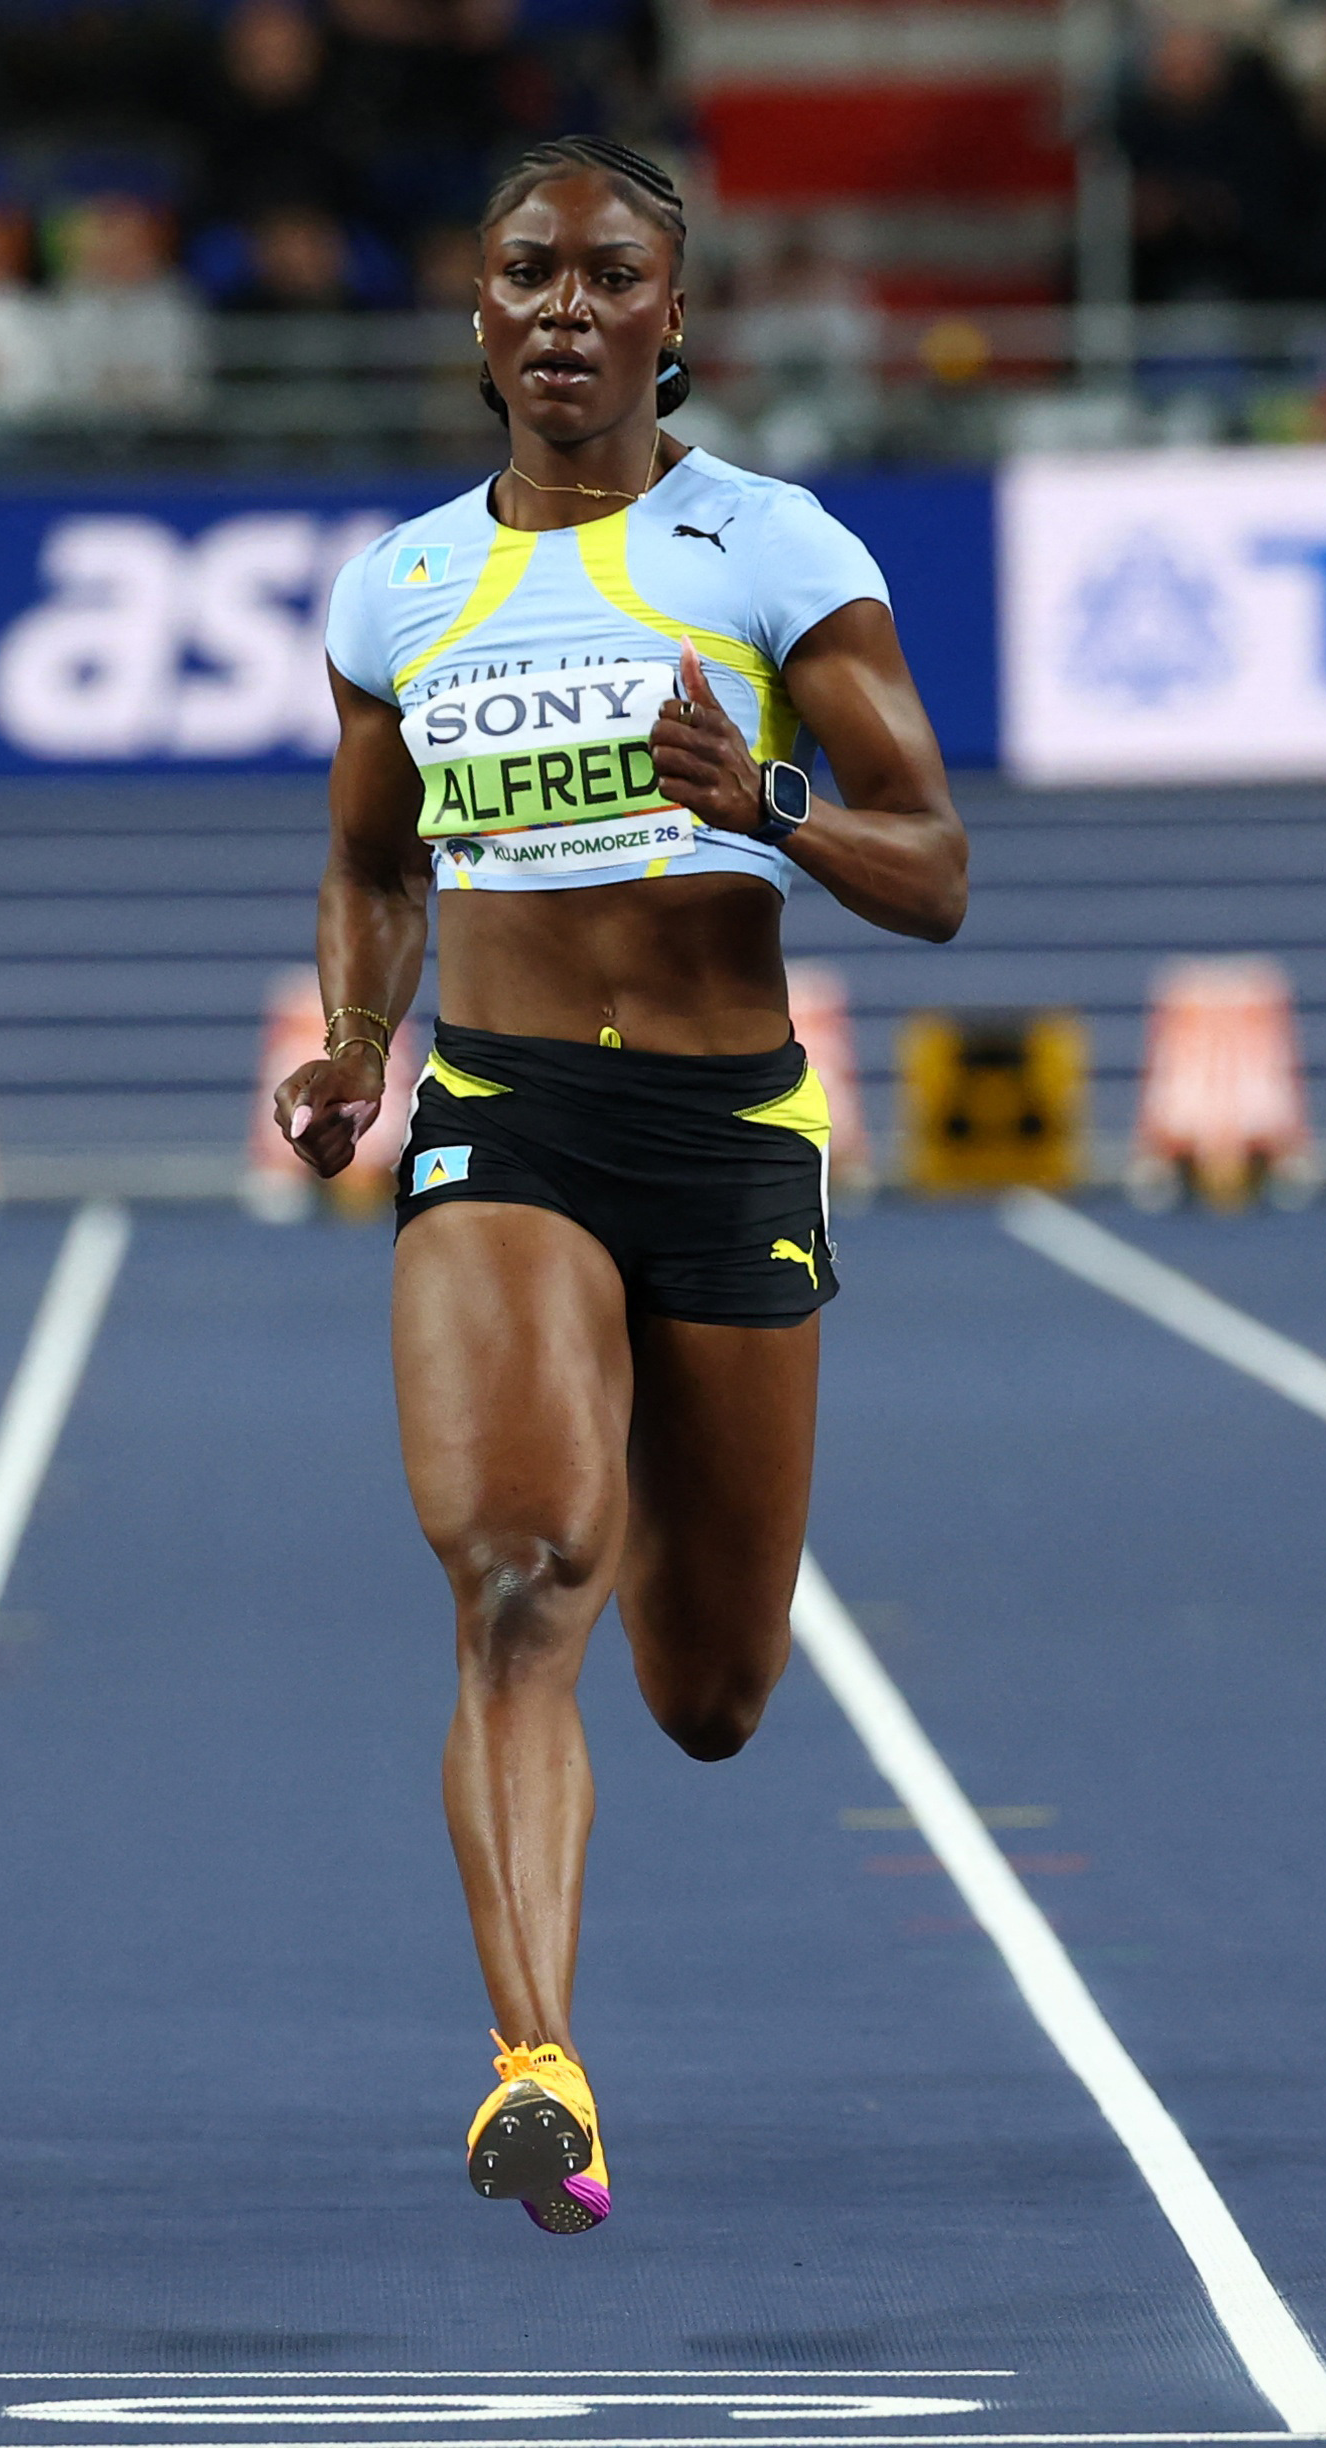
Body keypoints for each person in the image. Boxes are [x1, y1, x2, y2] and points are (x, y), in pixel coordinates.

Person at [275, 138, 968, 2236]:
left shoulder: (768, 550)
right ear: (476, 320)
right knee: (512, 1575)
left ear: (677, 323)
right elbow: (374, 856)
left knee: (712, 1689)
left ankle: (663, 1572)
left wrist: (757, 797)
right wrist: (356, 1041)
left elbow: (929, 861)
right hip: (502, 1119)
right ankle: (533, 2060)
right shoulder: (397, 587)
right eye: (527, 274)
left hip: (725, 1132)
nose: (565, 306)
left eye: (609, 276)